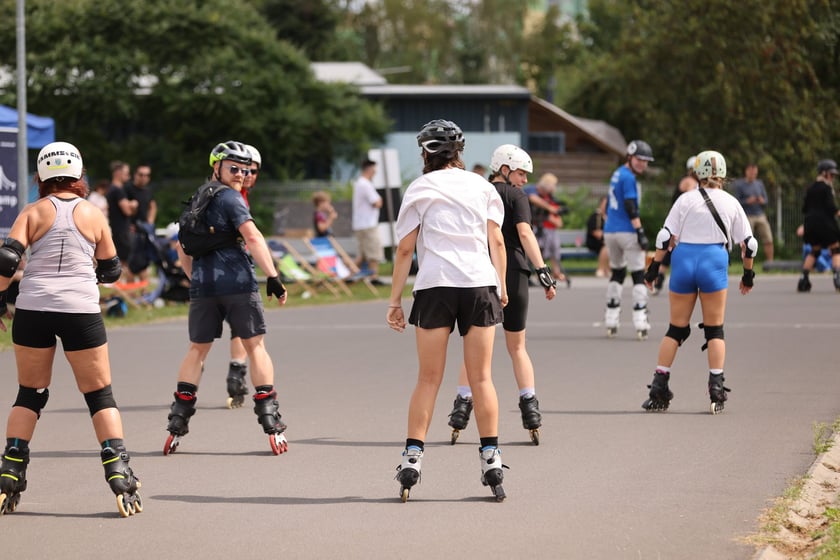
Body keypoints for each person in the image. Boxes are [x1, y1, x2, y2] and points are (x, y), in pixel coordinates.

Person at [0, 141, 142, 516]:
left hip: (33, 308)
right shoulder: (93, 213)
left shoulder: (32, 211)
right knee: (99, 395)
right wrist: (92, 274)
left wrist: (0, 299)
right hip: (80, 310)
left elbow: (7, 260)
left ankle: (10, 471)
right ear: (79, 174)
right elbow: (112, 269)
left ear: (41, 175)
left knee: (30, 393)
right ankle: (119, 472)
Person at [387, 119, 509, 502]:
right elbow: (496, 241)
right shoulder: (483, 186)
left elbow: (405, 249)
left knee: (428, 379)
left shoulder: (420, 188)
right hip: (479, 284)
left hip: (435, 285)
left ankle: (412, 459)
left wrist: (394, 300)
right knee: (482, 378)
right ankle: (491, 459)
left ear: (425, 153)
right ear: (460, 151)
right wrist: (502, 285)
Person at [163, 140, 289, 456]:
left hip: (203, 287)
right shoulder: (232, 198)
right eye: (234, 168)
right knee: (255, 346)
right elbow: (252, 236)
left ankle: (178, 421)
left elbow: (182, 248)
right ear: (216, 167)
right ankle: (270, 419)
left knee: (197, 350)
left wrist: (196, 280)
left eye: (245, 170)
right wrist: (273, 275)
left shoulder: (196, 199)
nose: (241, 174)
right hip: (238, 283)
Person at [445, 144, 557, 447]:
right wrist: (543, 271)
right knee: (517, 346)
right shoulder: (516, 197)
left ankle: (461, 407)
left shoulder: (476, 191)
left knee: (475, 348)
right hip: (514, 273)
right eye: (521, 173)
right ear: (504, 169)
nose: (524, 180)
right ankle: (530, 409)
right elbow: (525, 233)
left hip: (480, 274)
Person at [641, 150, 755, 414]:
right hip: (713, 261)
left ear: (696, 172)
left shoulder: (685, 199)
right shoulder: (731, 202)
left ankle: (659, 387)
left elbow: (664, 237)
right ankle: (716, 387)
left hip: (683, 260)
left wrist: (653, 269)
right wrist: (748, 275)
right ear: (723, 173)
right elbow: (749, 244)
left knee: (675, 329)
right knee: (714, 330)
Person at [603, 140, 654, 339]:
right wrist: (640, 231)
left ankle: (611, 318)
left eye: (646, 161)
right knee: (638, 274)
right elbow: (631, 206)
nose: (643, 164)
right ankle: (640, 319)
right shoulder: (629, 178)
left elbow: (608, 202)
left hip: (610, 231)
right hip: (627, 231)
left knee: (617, 272)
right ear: (630, 157)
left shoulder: (617, 174)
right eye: (640, 160)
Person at [224, 144, 262, 409]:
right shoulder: (231, 196)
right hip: (228, 272)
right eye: (242, 170)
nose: (247, 175)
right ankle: (237, 373)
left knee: (237, 327)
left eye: (252, 171)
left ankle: (236, 373)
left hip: (232, 270)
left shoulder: (241, 194)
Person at [653, 155, 699, 294]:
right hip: (680, 222)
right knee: (672, 250)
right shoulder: (690, 181)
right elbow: (692, 199)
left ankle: (658, 279)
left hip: (680, 221)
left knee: (669, 251)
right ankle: (659, 279)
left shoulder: (692, 181)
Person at [797, 159, 840, 293]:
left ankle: (803, 280)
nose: (832, 178)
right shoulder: (826, 188)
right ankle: (838, 278)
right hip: (825, 224)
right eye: (831, 174)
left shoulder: (810, 188)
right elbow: (831, 207)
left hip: (810, 224)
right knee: (835, 249)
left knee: (815, 251)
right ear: (824, 173)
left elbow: (804, 208)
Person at [526, 172, 569, 286]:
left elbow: (556, 219)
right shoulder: (531, 189)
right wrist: (550, 208)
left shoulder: (548, 197)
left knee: (546, 249)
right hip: (529, 226)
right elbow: (533, 198)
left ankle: (551, 273)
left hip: (541, 227)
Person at [352, 158, 384, 284]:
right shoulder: (365, 184)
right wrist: (379, 201)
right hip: (368, 224)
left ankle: (350, 276)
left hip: (361, 224)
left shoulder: (359, 183)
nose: (375, 172)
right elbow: (376, 202)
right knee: (373, 252)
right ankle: (374, 277)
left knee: (363, 254)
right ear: (369, 169)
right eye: (374, 169)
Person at [733, 163, 774, 262]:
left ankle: (770, 263)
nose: (753, 174)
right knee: (748, 241)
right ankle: (747, 262)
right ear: (746, 172)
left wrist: (762, 201)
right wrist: (747, 201)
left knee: (768, 239)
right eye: (751, 172)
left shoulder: (759, 184)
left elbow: (766, 200)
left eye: (755, 173)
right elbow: (736, 201)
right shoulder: (740, 185)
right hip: (747, 216)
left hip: (760, 215)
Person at [105, 161, 138, 279]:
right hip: (122, 231)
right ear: (118, 173)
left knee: (122, 261)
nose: (128, 176)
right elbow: (127, 211)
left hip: (117, 229)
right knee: (127, 262)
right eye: (126, 173)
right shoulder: (118, 190)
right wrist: (133, 205)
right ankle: (129, 287)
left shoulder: (111, 189)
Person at [125, 164, 157, 282]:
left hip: (144, 230)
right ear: (135, 175)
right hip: (132, 230)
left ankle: (144, 290)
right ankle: (131, 289)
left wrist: (150, 223)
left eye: (147, 175)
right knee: (131, 262)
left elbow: (153, 206)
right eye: (141, 175)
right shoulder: (127, 188)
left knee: (144, 261)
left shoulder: (148, 190)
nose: (144, 177)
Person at [585, 195, 610, 277]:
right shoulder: (595, 216)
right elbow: (595, 232)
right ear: (601, 204)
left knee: (611, 246)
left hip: (605, 240)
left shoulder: (609, 217)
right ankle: (600, 269)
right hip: (594, 241)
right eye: (605, 204)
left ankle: (608, 269)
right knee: (606, 246)